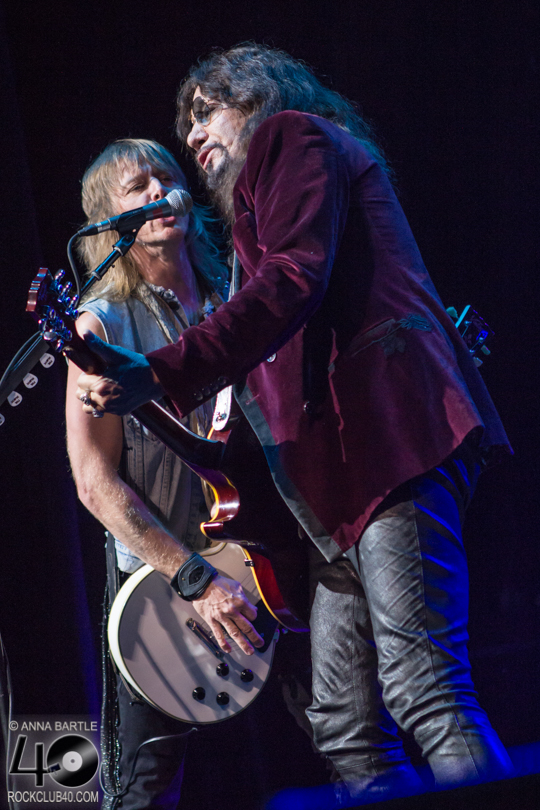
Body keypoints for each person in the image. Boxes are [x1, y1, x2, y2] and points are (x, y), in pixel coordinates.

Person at [75, 45, 515, 802]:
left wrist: (163, 371)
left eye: (205, 111)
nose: (193, 136)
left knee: (425, 686)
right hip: (338, 491)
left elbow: (292, 282)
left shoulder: (291, 137)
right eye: (187, 124)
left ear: (254, 97)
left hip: (386, 451)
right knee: (344, 723)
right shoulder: (253, 223)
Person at [65, 138, 231, 809]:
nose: (160, 190)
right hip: (160, 585)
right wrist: (192, 576)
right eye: (138, 186)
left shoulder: (236, 299)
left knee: (340, 732)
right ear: (109, 224)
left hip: (261, 563)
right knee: (146, 787)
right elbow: (93, 482)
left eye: (165, 175)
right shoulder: (99, 326)